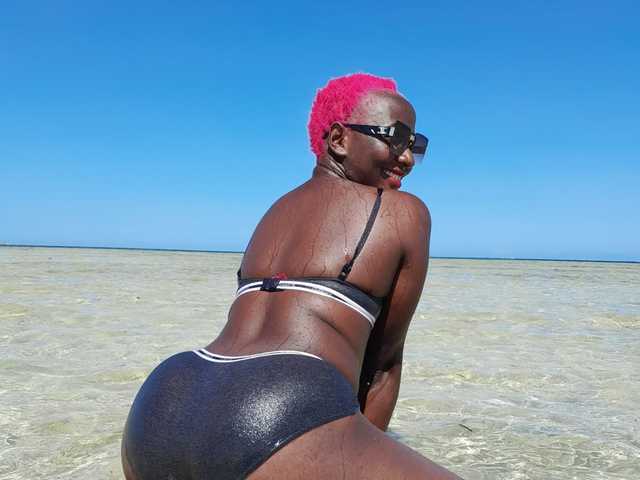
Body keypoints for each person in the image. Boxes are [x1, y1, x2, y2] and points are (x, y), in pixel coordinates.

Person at [122, 73, 462, 479]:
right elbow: (382, 368)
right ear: (338, 139)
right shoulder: (402, 211)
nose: (406, 158)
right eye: (394, 138)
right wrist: (355, 450)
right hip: (283, 403)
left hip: (165, 404)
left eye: (415, 145)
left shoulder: (276, 210)